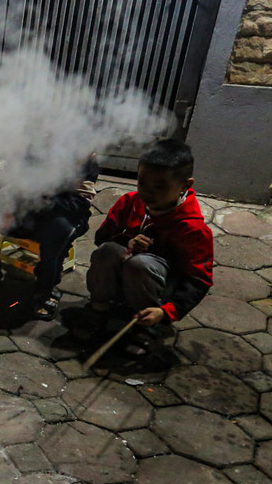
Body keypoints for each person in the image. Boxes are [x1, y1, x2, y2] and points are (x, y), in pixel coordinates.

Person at [75, 138, 214, 356]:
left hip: (159, 291)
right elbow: (101, 238)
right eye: (142, 182)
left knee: (141, 264)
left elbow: (198, 281)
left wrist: (165, 311)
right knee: (106, 252)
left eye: (160, 186)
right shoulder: (129, 202)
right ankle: (98, 309)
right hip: (123, 279)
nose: (147, 193)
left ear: (185, 186)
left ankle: (145, 327)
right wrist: (125, 240)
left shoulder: (192, 228)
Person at [0, 155, 99, 321]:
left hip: (61, 215)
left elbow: (80, 203)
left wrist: (37, 200)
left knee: (58, 231)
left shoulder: (85, 160)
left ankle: (45, 289)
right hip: (23, 210)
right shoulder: (37, 145)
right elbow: (4, 170)